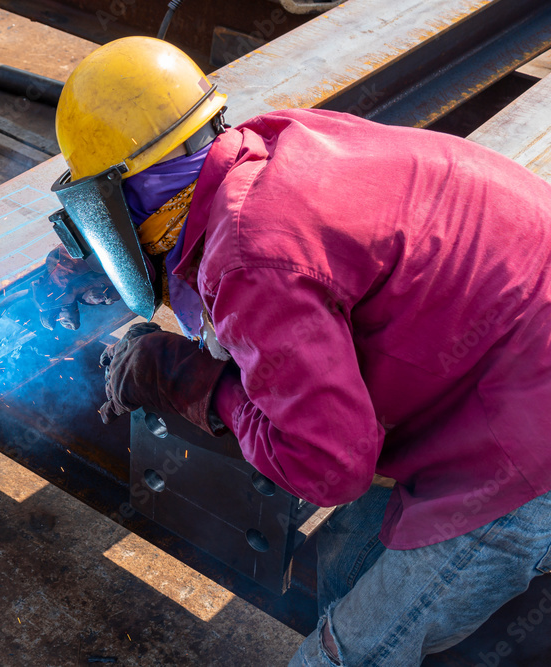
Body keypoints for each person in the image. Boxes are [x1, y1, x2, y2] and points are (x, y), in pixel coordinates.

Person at [39, 36, 551, 666]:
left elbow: (330, 468)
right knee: (341, 573)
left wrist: (193, 383)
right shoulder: (270, 142)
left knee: (339, 655)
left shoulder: (250, 256)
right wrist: (117, 269)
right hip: (503, 363)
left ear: (126, 195)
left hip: (525, 451)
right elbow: (263, 283)